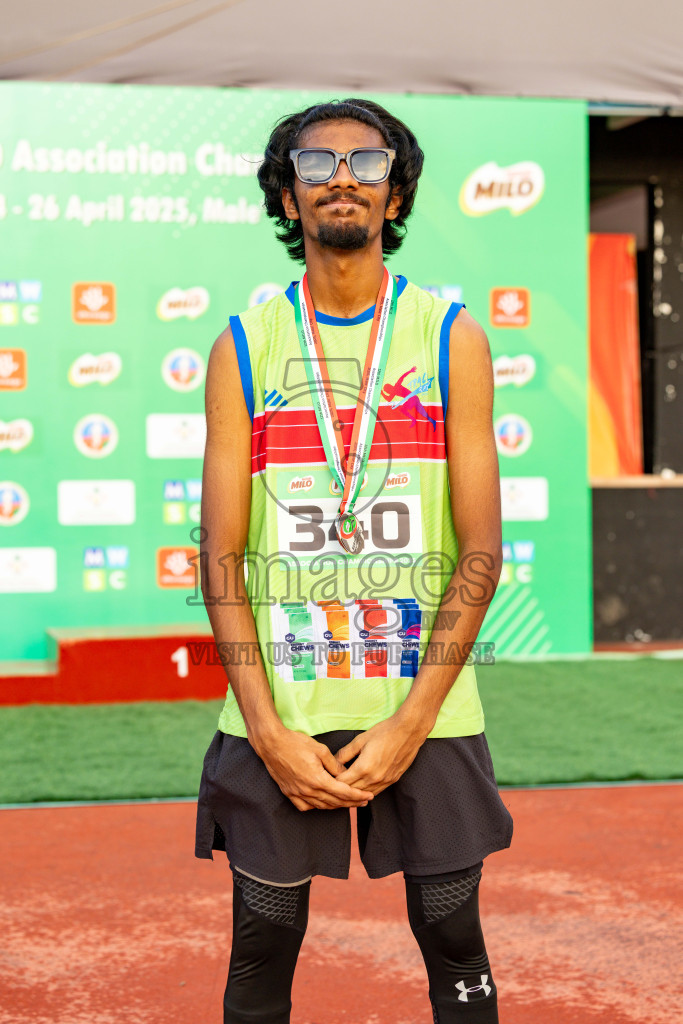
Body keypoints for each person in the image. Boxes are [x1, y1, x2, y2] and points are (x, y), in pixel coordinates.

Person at [195, 97, 513, 1024]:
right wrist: (265, 729)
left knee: (455, 945)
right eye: (316, 162)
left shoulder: (451, 338)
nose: (342, 175)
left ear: (395, 191)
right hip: (280, 708)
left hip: (428, 708)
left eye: (368, 162)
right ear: (287, 199)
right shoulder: (244, 347)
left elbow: (479, 555)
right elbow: (219, 557)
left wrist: (414, 720)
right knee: (259, 953)